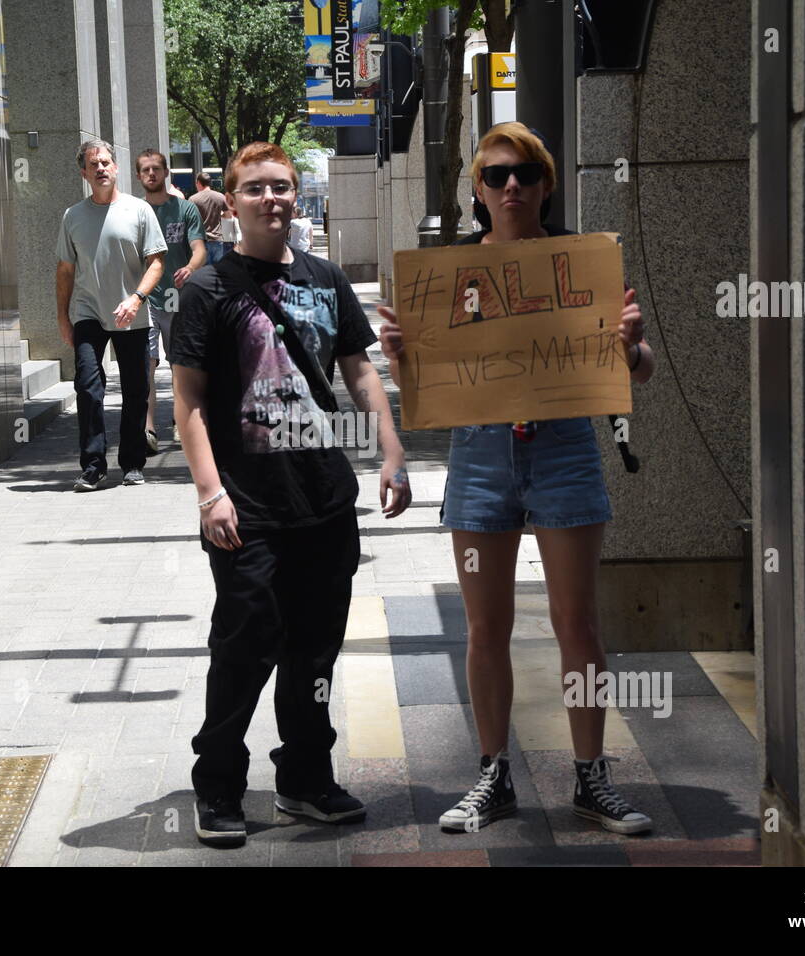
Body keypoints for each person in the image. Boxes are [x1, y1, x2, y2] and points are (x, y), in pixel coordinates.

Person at [377, 122, 658, 835]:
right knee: (484, 628)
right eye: (497, 175)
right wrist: (403, 355)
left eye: (525, 175)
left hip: (563, 452)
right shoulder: (447, 277)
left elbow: (639, 368)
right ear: (477, 188)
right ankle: (492, 774)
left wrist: (630, 345)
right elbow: (426, 382)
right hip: (480, 458)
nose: (511, 187)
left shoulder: (582, 266)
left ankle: (592, 778)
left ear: (545, 186)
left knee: (578, 623)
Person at [170, 141, 413, 847]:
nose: (272, 199)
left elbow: (360, 372)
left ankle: (305, 778)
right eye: (256, 190)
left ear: (296, 195)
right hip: (248, 508)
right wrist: (211, 494)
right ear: (232, 204)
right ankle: (218, 785)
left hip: (325, 502)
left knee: (314, 655)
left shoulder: (327, 278)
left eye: (282, 187)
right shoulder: (207, 289)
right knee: (242, 650)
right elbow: (188, 402)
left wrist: (390, 450)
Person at [55, 139, 167, 490]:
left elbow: (157, 262)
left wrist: (136, 298)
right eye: (94, 164)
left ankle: (133, 462)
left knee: (135, 389)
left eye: (106, 162)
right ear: (84, 173)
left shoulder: (139, 210)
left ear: (116, 168)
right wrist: (62, 317)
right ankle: (93, 465)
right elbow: (64, 271)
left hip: (131, 311)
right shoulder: (73, 216)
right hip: (88, 311)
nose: (101, 168)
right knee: (88, 386)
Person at [136, 149, 206, 452]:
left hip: (177, 297)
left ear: (166, 173)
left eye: (156, 169)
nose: (151, 174)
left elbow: (199, 248)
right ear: (139, 176)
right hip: (144, 298)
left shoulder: (185, 209)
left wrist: (190, 267)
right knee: (146, 364)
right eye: (145, 170)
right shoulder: (133, 211)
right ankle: (148, 427)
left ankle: (180, 421)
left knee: (179, 363)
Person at [190, 171, 230, 264]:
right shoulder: (220, 197)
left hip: (201, 242)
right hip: (218, 240)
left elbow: (190, 220)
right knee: (217, 272)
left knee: (203, 273)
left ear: (199, 183)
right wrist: (219, 216)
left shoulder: (193, 199)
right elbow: (228, 216)